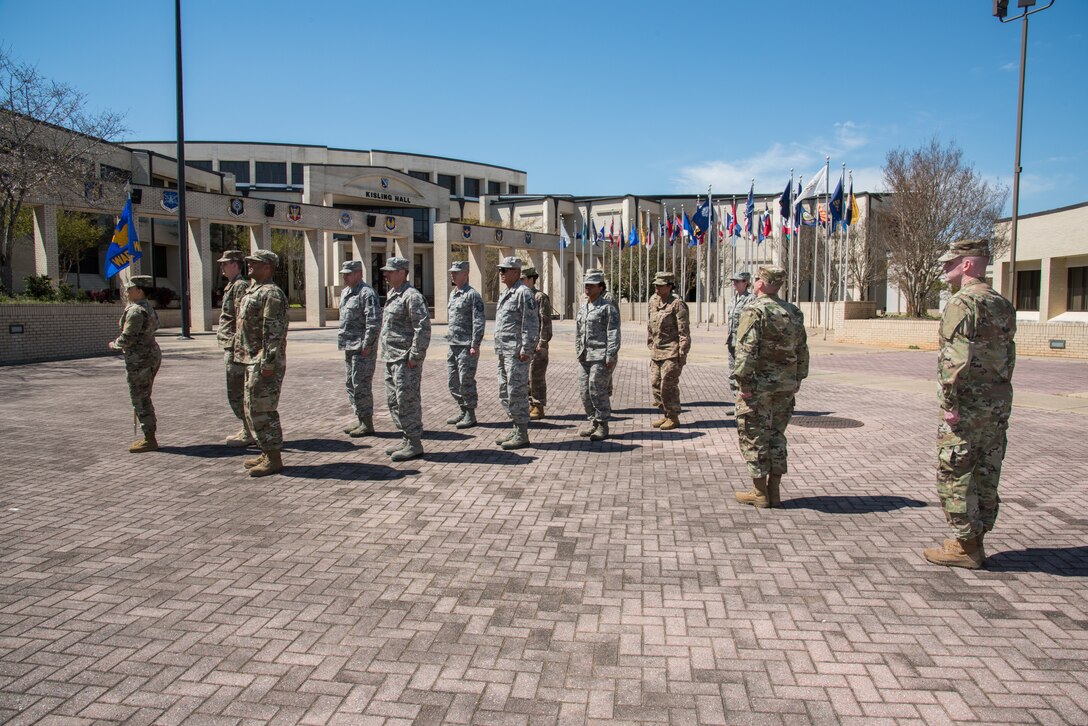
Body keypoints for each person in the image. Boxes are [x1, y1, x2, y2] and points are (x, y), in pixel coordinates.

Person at [923, 238, 1016, 569]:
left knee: (954, 472)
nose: (945, 267)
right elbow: (1007, 356)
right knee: (986, 472)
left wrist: (949, 403)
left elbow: (955, 359)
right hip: (996, 404)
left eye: (950, 262)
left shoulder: (962, 303)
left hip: (967, 406)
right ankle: (975, 539)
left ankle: (966, 548)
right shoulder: (1001, 303)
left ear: (967, 265)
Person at [731, 265, 808, 508]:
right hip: (785, 386)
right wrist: (797, 379)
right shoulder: (793, 312)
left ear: (761, 283)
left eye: (756, 279)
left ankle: (760, 493)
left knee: (753, 435)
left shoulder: (754, 310)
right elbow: (802, 349)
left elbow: (746, 350)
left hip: (758, 387)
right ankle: (774, 492)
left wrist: (743, 383)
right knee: (776, 436)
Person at [236, 249, 290, 477]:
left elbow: (273, 332)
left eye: (254, 263)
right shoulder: (255, 290)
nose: (249, 265)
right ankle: (266, 451)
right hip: (251, 359)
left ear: (267, 267)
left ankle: (274, 458)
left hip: (263, 361)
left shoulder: (271, 294)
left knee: (263, 409)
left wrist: (268, 362)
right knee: (251, 407)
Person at [379, 256, 431, 461]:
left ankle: (414, 442)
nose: (386, 275)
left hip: (405, 359)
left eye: (390, 271)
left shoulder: (412, 296)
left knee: (406, 401)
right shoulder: (393, 294)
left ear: (402, 273)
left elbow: (422, 328)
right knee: (393, 401)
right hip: (391, 357)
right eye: (385, 271)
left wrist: (415, 356)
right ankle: (405, 437)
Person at [109, 275, 161, 453]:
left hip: (140, 360)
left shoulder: (136, 311)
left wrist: (114, 344)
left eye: (130, 288)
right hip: (149, 355)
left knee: (140, 397)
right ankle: (149, 435)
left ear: (139, 291)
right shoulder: (147, 307)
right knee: (143, 395)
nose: (126, 291)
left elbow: (128, 337)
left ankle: (149, 438)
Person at [493, 256, 539, 450]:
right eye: (500, 270)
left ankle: (522, 432)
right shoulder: (506, 293)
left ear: (515, 272)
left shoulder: (523, 293)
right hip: (504, 352)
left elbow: (531, 323)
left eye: (504, 270)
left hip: (517, 353)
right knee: (505, 391)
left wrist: (526, 349)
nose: (501, 273)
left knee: (516, 391)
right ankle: (515, 427)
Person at [338, 259, 382, 437]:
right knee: (350, 383)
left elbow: (374, 322)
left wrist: (368, 345)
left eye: (348, 274)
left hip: (362, 348)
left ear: (359, 274)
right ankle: (360, 418)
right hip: (349, 346)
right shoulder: (345, 292)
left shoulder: (367, 293)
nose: (345, 277)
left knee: (361, 385)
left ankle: (367, 423)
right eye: (344, 274)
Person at [576, 269, 621, 441]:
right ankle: (593, 422)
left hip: (600, 355)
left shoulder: (607, 308)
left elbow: (613, 333)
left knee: (597, 389)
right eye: (586, 285)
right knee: (584, 390)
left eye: (591, 285)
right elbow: (578, 332)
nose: (587, 288)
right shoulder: (583, 307)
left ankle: (603, 424)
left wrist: (611, 355)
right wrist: (578, 349)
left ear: (601, 287)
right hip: (584, 355)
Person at [216, 250, 253, 447]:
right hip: (231, 344)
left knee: (237, 391)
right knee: (236, 391)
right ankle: (247, 428)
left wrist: (239, 347)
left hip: (236, 346)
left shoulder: (240, 286)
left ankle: (249, 431)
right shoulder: (232, 285)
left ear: (235, 265)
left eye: (225, 263)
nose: (222, 267)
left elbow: (242, 318)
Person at [647, 271, 690, 430]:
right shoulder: (653, 301)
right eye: (656, 285)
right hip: (656, 352)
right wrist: (650, 343)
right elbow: (650, 325)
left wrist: (682, 354)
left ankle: (673, 417)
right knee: (655, 384)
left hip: (672, 352)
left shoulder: (677, 304)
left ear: (670, 286)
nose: (657, 288)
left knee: (667, 386)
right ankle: (665, 413)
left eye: (660, 285)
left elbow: (684, 332)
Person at [445, 260, 485, 429]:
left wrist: (475, 344)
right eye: (452, 272)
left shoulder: (472, 295)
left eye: (456, 272)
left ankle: (470, 413)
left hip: (467, 346)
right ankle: (462, 409)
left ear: (465, 274)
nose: (452, 275)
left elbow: (478, 321)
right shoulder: (453, 294)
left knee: (466, 380)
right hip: (453, 344)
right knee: (452, 382)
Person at [521, 266, 552, 420]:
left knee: (536, 377)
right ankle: (530, 404)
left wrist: (542, 342)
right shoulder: (521, 296)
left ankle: (538, 406)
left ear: (531, 279)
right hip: (525, 344)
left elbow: (545, 322)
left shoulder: (539, 297)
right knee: (525, 377)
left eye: (523, 279)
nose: (520, 282)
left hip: (538, 345)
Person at [726, 270, 754, 396]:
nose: (734, 283)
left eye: (737, 281)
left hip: (742, 342)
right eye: (733, 281)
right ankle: (736, 399)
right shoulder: (733, 299)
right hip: (732, 341)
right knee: (732, 372)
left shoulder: (750, 299)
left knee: (742, 371)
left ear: (745, 282)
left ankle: (743, 399)